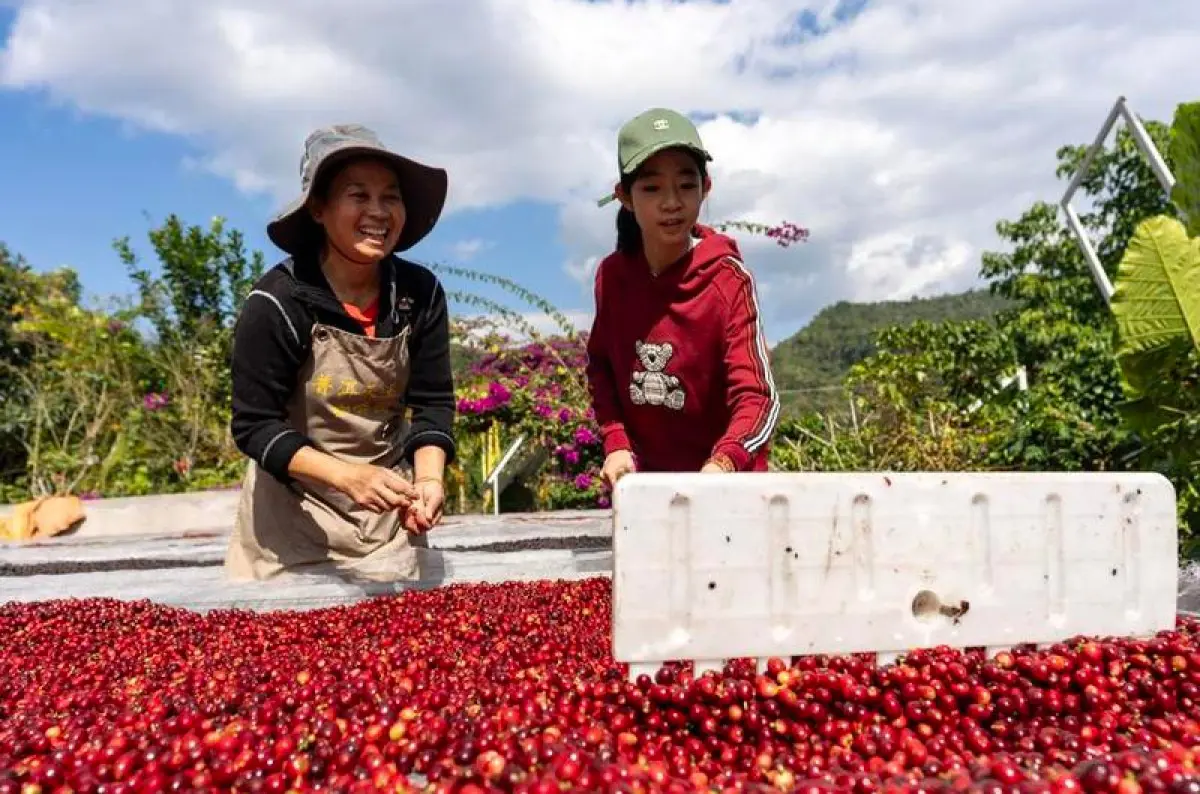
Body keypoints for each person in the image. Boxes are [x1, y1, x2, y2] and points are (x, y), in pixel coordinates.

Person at [225, 124, 456, 582]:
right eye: (359, 196)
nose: (378, 212)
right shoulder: (278, 301)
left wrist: (428, 480)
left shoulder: (418, 294)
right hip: (290, 528)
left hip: (387, 522)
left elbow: (432, 404)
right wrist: (349, 477)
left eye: (390, 197)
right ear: (318, 209)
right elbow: (254, 425)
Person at [586, 108, 779, 489]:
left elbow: (757, 396)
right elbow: (601, 367)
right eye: (652, 187)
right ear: (624, 196)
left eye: (686, 186)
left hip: (730, 488)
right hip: (650, 492)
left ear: (705, 188)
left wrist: (723, 464)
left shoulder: (728, 279)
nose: (672, 202)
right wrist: (616, 442)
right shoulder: (612, 278)